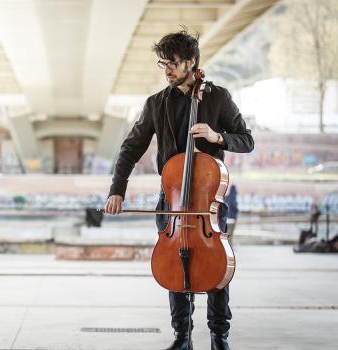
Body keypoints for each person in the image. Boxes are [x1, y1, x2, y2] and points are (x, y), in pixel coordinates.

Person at [105, 29, 254, 350]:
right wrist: (117, 190)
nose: (167, 70)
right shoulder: (156, 104)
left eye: (172, 63)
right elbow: (130, 148)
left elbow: (247, 139)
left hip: (207, 202)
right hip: (171, 202)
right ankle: (182, 337)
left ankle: (219, 337)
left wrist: (218, 137)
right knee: (175, 266)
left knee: (216, 270)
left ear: (191, 62)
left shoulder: (218, 97)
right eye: (162, 64)